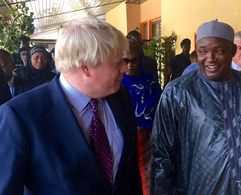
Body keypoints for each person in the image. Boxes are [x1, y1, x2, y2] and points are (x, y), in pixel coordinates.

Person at [0, 17, 142, 194]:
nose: (124, 68)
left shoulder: (120, 96)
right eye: (116, 63)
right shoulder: (20, 115)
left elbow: (130, 171)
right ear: (85, 67)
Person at [151, 20, 241, 195]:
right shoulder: (177, 93)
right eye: (203, 52)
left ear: (232, 51)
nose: (210, 59)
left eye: (219, 51)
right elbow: (162, 154)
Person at [121, 37, 161, 195]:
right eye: (125, 60)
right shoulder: (115, 82)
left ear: (141, 59)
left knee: (148, 182)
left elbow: (160, 110)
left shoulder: (149, 81)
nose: (129, 65)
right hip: (123, 138)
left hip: (148, 139)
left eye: (134, 60)